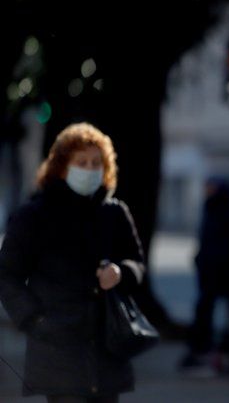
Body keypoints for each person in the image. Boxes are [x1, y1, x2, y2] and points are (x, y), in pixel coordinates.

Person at [0, 122, 145, 403]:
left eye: (96, 163)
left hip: (107, 351)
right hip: (58, 351)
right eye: (82, 162)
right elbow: (7, 275)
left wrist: (121, 272)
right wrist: (35, 320)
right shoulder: (34, 215)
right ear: (62, 166)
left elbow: (137, 264)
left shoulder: (114, 213)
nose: (90, 169)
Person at [179, 177, 229, 373]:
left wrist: (217, 259)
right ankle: (201, 349)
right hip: (209, 272)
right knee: (204, 311)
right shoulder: (210, 208)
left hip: (224, 271)